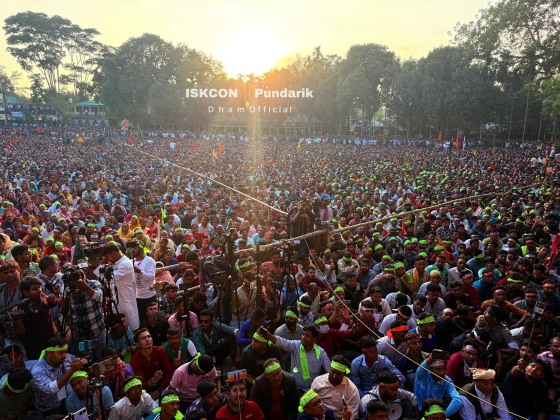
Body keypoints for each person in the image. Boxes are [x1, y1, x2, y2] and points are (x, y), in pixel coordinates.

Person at [58, 264, 106, 361]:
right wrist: (63, 305)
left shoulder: (93, 283)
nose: (79, 277)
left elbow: (99, 297)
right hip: (78, 333)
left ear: (85, 274)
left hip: (96, 329)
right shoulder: (68, 290)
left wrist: (85, 287)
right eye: (75, 275)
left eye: (81, 274)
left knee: (100, 357)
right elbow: (67, 315)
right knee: (80, 360)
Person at [262, 324, 331, 392]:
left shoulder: (321, 352)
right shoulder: (295, 346)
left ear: (314, 339)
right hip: (295, 388)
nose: (303, 337)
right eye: (303, 334)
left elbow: (329, 370)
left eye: (307, 336)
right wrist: (267, 335)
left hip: (312, 390)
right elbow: (281, 342)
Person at [30, 337, 87, 415]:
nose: (64, 356)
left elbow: (83, 361)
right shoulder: (37, 371)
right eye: (60, 353)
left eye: (65, 352)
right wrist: (71, 370)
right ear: (49, 353)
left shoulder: (66, 357)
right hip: (46, 412)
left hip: (63, 405)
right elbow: (51, 389)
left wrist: (81, 362)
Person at [13, 276, 59, 360]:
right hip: (36, 350)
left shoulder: (41, 298)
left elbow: (51, 304)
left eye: (39, 287)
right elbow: (22, 332)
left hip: (53, 342)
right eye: (35, 289)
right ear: (26, 293)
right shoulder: (22, 309)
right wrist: (18, 322)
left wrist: (52, 300)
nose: (39, 290)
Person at [413, 350, 463, 417]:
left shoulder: (447, 380)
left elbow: (458, 400)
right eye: (438, 369)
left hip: (437, 411)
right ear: (430, 370)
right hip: (420, 410)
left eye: (443, 369)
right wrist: (431, 359)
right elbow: (421, 369)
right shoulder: (422, 376)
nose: (442, 372)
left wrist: (443, 416)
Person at [311, 354, 360, 420]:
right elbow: (311, 404)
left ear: (344, 374)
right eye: (333, 372)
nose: (334, 376)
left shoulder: (352, 390)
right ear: (329, 368)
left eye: (338, 374)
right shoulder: (318, 382)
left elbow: (353, 416)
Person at [103, 244, 140, 330]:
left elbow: (109, 279)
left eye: (107, 257)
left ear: (113, 253)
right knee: (119, 329)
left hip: (127, 301)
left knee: (131, 327)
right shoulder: (117, 263)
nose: (107, 259)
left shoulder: (125, 264)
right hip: (118, 300)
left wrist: (97, 267)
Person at [129, 328, 173, 400]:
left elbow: (170, 372)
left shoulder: (160, 350)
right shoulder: (134, 359)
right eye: (143, 338)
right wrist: (153, 380)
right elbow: (140, 383)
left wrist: (159, 390)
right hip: (145, 392)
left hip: (163, 387)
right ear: (138, 344)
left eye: (149, 336)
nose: (147, 339)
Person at [131, 242, 157, 323]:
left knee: (152, 319)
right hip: (137, 296)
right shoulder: (131, 261)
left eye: (134, 248)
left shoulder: (149, 261)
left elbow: (151, 277)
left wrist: (139, 271)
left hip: (149, 296)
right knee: (141, 319)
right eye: (131, 248)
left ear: (141, 249)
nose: (132, 250)